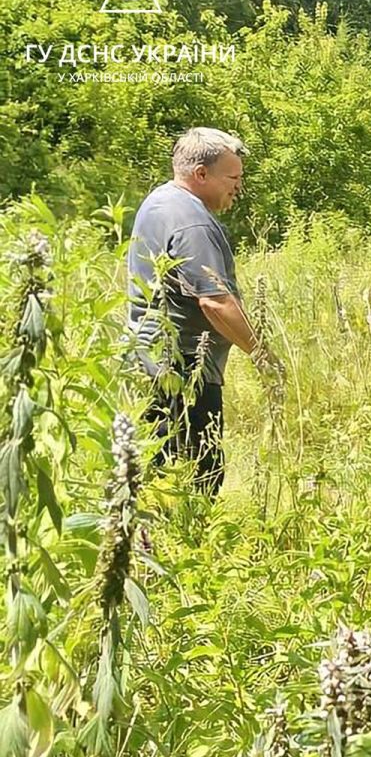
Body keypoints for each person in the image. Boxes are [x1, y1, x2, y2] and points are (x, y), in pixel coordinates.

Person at [127, 127, 273, 496]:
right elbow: (215, 301)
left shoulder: (160, 200)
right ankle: (185, 543)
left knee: (151, 460)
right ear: (201, 174)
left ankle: (141, 536)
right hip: (184, 363)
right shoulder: (192, 222)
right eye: (233, 177)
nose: (238, 186)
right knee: (203, 470)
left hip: (152, 354)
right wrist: (262, 356)